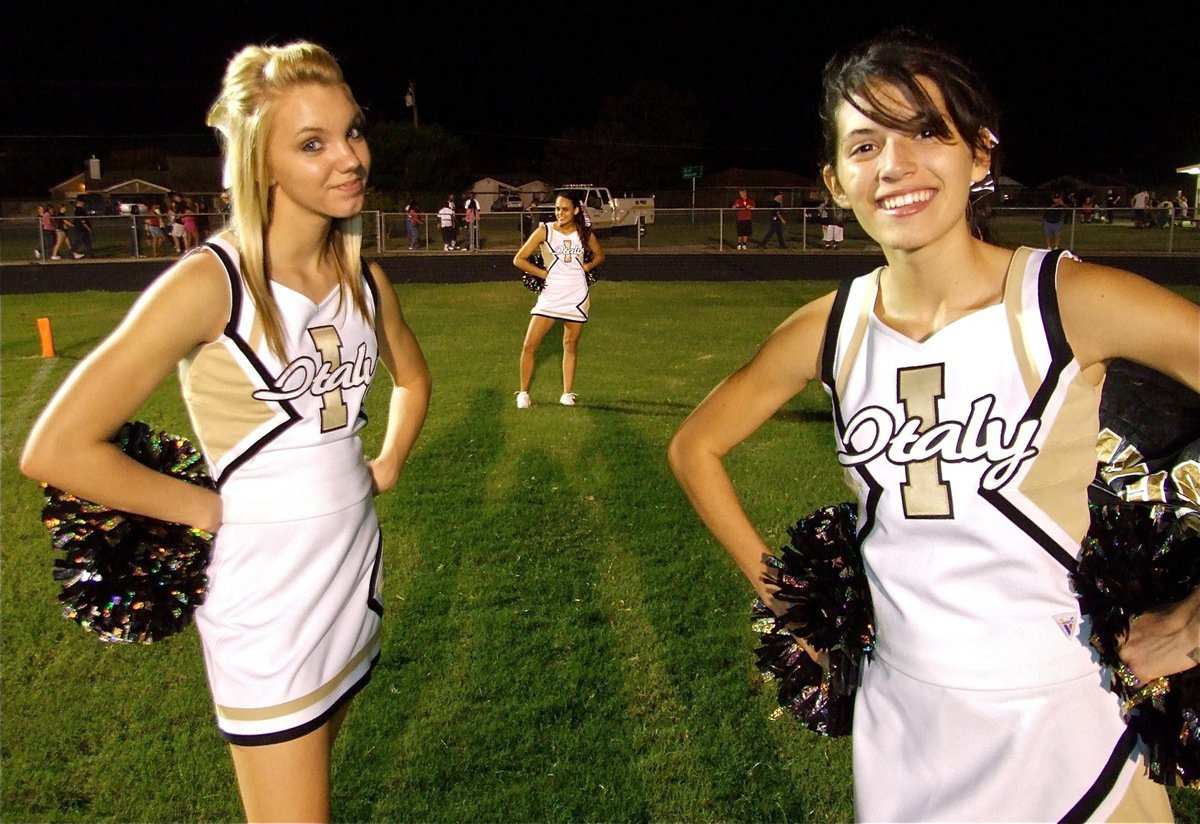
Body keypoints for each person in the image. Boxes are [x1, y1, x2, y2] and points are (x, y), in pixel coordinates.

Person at [668, 29, 1199, 822]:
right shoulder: (830, 327)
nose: (896, 165)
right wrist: (789, 600)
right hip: (902, 728)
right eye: (864, 144)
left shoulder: (1065, 301)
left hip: (1068, 725)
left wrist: (1192, 624)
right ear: (836, 182)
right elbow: (694, 447)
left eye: (927, 131)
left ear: (981, 154)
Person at [20, 40, 431, 823]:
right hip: (267, 598)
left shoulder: (364, 279)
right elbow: (57, 448)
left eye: (352, 131)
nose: (349, 157)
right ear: (261, 161)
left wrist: (387, 461)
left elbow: (414, 380)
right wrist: (208, 513)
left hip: (352, 570)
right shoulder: (210, 283)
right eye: (312, 143)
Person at [511, 191, 604, 409]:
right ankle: (523, 393)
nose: (559, 213)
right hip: (551, 296)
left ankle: (567, 393)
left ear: (575, 210)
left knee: (570, 345)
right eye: (557, 209)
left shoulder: (584, 234)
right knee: (529, 344)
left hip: (576, 295)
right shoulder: (545, 230)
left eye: (564, 209)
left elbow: (600, 255)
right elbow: (519, 259)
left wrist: (587, 267)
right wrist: (542, 274)